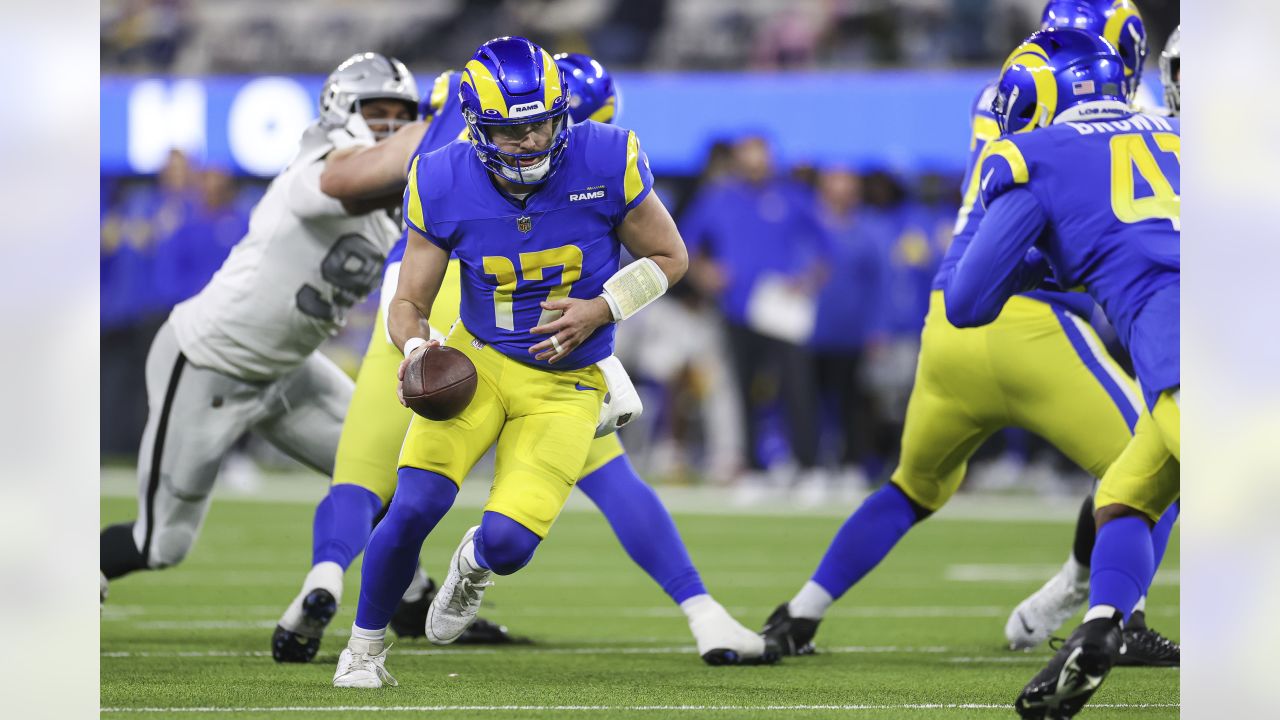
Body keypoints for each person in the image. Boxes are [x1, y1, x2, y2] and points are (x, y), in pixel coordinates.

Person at [277, 50, 775, 669]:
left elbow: (671, 258)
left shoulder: (606, 155)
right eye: (512, 127)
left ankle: (474, 565)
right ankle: (360, 642)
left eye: (544, 121)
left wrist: (604, 307)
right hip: (473, 343)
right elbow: (404, 290)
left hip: (565, 372)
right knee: (408, 500)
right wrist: (415, 349)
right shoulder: (439, 174)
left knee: (513, 539)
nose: (533, 138)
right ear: (475, 123)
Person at [760, 1, 1177, 665]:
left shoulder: (1009, 88)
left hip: (949, 317)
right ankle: (1102, 607)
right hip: (1032, 317)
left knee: (911, 487)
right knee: (1158, 459)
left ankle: (799, 613)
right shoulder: (1104, 110)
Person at [99, 53, 418, 598]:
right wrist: (438, 131)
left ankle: (413, 602)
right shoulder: (317, 163)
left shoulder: (399, 199)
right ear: (341, 110)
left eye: (401, 114)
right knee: (162, 544)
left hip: (290, 370)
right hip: (209, 363)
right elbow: (347, 182)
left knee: (389, 475)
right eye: (376, 110)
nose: (390, 125)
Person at [958, 29, 1178, 719]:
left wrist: (1046, 259)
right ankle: (1102, 625)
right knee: (1123, 498)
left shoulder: (1040, 154)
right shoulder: (1180, 131)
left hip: (1191, 344)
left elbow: (968, 302)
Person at [681, 133, 830, 493]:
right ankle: (751, 468)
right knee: (741, 390)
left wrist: (807, 280)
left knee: (797, 387)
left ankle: (808, 467)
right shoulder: (718, 198)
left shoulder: (791, 197)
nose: (755, 162)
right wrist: (706, 273)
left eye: (760, 155)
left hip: (781, 310)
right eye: (748, 155)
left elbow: (826, 246)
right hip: (737, 308)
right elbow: (683, 244)